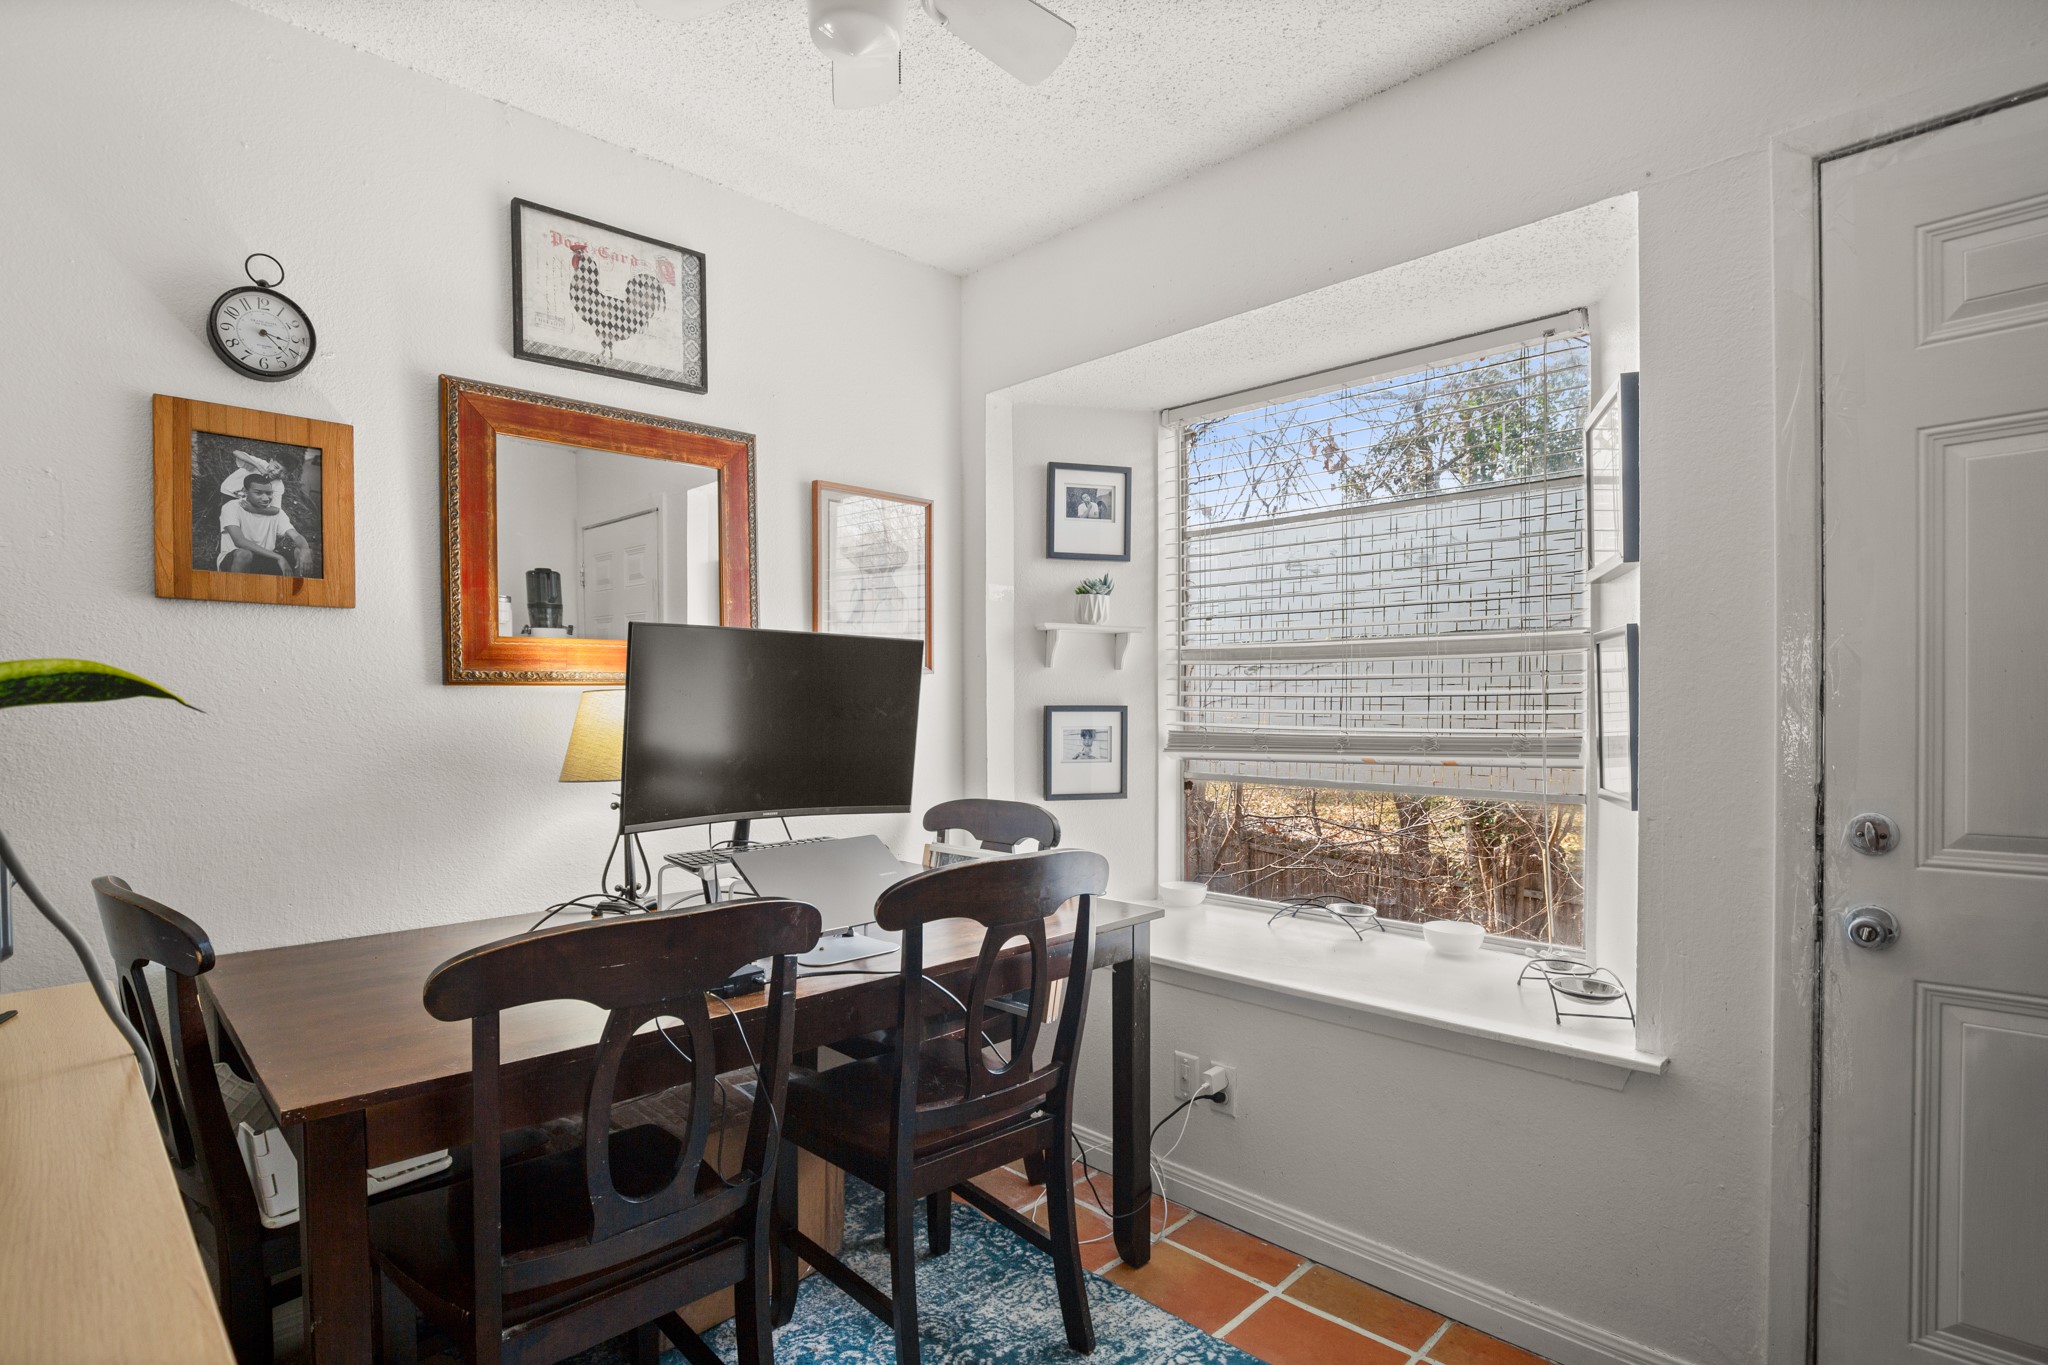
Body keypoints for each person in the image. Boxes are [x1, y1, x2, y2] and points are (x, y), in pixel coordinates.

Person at [218, 470, 308, 575]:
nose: (265, 498)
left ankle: (294, 589)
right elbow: (240, 542)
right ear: (245, 492)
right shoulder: (232, 507)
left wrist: (305, 548)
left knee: (300, 552)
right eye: (258, 493)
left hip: (265, 559)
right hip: (236, 558)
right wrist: (279, 557)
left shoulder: (276, 512)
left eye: (269, 493)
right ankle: (235, 590)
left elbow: (296, 536)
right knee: (244, 554)